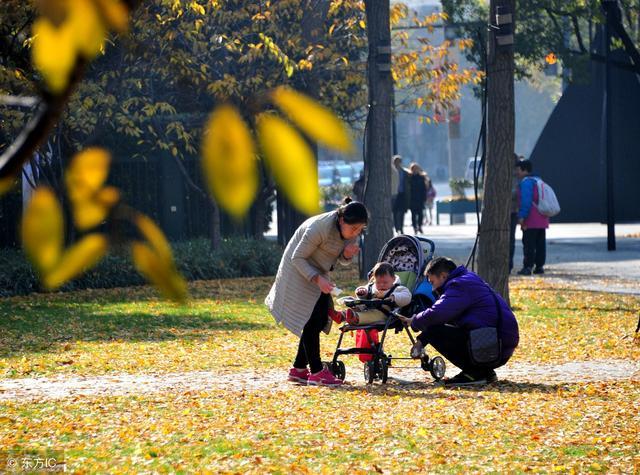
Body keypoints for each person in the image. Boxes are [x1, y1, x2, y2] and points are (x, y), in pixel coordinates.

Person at [265, 198, 368, 386]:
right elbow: (297, 257)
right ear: (342, 220)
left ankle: (298, 369)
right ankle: (317, 371)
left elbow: (338, 258)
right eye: (354, 229)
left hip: (319, 273)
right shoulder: (319, 228)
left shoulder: (349, 231)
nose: (356, 233)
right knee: (313, 319)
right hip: (297, 270)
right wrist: (316, 278)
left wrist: (346, 255)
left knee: (319, 319)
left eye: (360, 230)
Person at [398, 257, 519, 386]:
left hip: (495, 342)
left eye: (432, 282)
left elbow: (438, 313)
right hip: (500, 339)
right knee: (436, 328)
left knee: (434, 330)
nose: (432, 288)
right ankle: (484, 371)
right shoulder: (467, 278)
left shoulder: (458, 285)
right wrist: (422, 341)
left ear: (443, 276)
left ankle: (474, 372)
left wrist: (415, 320)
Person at [328, 262, 412, 326]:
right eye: (378, 282)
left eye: (385, 282)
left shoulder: (397, 289)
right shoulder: (372, 286)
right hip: (366, 307)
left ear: (393, 279)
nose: (381, 285)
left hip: (383, 314)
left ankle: (355, 318)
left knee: (370, 315)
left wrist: (394, 297)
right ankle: (341, 315)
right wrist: (362, 292)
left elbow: (407, 296)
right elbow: (365, 291)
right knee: (355, 303)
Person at [515, 159, 549, 275]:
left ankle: (528, 267)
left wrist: (522, 217)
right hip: (542, 218)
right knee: (540, 244)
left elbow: (526, 201)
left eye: (518, 170)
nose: (516, 173)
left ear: (524, 170)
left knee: (528, 244)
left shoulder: (526, 183)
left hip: (531, 220)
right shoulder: (538, 180)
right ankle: (539, 267)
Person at [509, 154, 524, 273]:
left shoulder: (515, 177)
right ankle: (508, 263)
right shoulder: (517, 176)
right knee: (510, 239)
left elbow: (516, 193)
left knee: (510, 239)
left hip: (511, 211)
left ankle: (508, 263)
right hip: (513, 210)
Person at [391, 155, 410, 234]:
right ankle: (396, 227)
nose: (397, 163)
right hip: (394, 194)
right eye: (396, 162)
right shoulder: (391, 172)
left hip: (402, 194)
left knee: (401, 212)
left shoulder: (405, 172)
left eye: (399, 162)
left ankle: (401, 227)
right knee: (395, 212)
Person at [409, 163, 427, 234]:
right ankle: (414, 227)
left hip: (420, 199)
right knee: (413, 214)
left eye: (416, 169)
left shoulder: (421, 177)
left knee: (420, 214)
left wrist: (424, 198)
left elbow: (424, 189)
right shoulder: (410, 178)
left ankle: (420, 226)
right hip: (412, 199)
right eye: (413, 169)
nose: (415, 170)